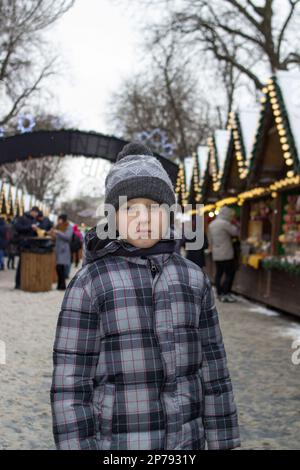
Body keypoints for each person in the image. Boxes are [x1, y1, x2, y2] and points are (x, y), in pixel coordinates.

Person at [50, 142, 240, 451]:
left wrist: (223, 442)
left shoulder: (193, 280)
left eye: (153, 207)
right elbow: (70, 385)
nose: (144, 218)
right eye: (130, 208)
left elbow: (214, 371)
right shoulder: (90, 283)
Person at [208, 206, 240, 303]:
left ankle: (219, 293)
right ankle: (225, 293)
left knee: (219, 273)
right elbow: (235, 232)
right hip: (226, 253)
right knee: (229, 273)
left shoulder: (212, 224)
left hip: (216, 253)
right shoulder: (225, 223)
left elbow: (210, 240)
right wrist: (235, 223)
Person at [14, 206, 40, 288]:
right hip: (23, 243)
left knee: (28, 264)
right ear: (32, 211)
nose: (36, 214)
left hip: (31, 244)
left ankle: (26, 281)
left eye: (37, 213)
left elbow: (33, 233)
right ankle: (18, 283)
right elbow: (18, 228)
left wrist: (36, 231)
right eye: (35, 213)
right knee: (21, 264)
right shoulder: (23, 218)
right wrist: (30, 227)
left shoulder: (34, 220)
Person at [49, 214, 73, 291]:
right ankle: (60, 285)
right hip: (58, 249)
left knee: (60, 267)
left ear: (63, 219)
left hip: (64, 250)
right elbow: (57, 237)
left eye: (60, 219)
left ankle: (62, 285)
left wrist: (58, 232)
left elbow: (68, 237)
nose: (58, 221)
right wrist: (52, 234)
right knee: (59, 267)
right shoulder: (58, 226)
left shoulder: (69, 227)